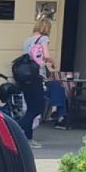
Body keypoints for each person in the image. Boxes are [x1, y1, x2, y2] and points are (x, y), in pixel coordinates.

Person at [19, 19, 63, 147]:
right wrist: (53, 63)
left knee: (30, 108)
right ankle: (16, 129)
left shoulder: (28, 40)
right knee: (38, 108)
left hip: (25, 77)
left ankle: (28, 139)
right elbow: (47, 55)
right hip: (37, 76)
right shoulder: (43, 39)